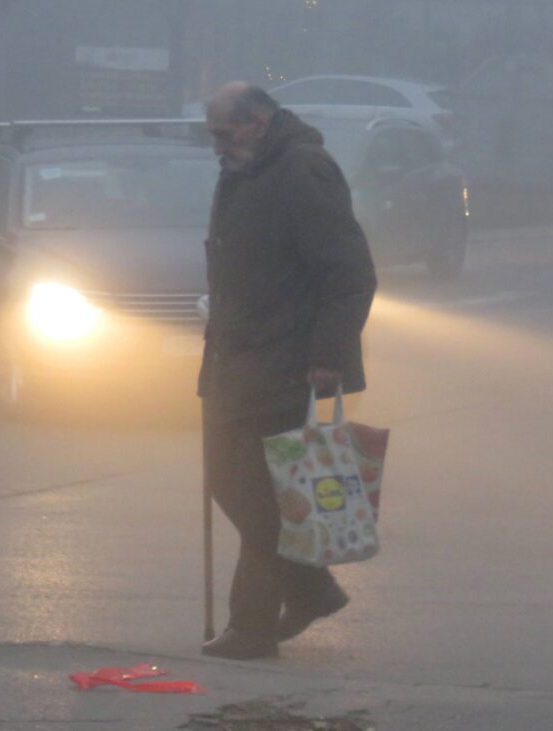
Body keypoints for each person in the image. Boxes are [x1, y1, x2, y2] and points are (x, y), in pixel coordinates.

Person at [199, 82, 377, 660]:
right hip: (236, 362)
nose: (218, 146)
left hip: (285, 365)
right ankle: (311, 587)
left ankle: (252, 627)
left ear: (259, 121)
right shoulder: (245, 168)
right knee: (231, 484)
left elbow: (349, 273)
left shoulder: (303, 170)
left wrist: (328, 356)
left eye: (224, 134)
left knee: (263, 501)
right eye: (213, 136)